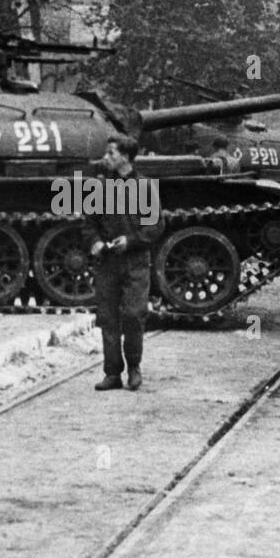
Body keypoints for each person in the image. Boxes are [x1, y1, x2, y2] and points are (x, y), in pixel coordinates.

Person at [87, 135, 165, 391]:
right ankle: (112, 373)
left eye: (111, 153)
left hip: (135, 261)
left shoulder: (144, 187)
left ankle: (134, 367)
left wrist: (131, 241)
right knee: (108, 318)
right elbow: (87, 224)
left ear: (125, 157)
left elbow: (155, 225)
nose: (106, 158)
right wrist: (95, 242)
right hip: (107, 261)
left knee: (133, 315)